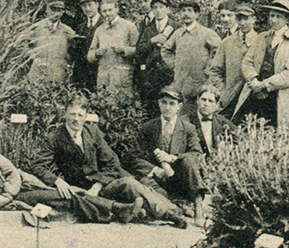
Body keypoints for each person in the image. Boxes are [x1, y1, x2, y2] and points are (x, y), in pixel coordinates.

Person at [26, 96, 187, 229]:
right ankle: (168, 213)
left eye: (80, 115)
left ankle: (170, 212)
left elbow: (112, 162)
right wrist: (57, 180)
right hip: (81, 190)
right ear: (65, 114)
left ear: (86, 116)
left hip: (101, 185)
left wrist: (98, 185)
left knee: (129, 183)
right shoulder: (55, 137)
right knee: (132, 186)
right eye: (72, 114)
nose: (76, 119)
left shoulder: (93, 132)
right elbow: (37, 166)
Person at [0, 117, 143, 224]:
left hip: (20, 187)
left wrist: (8, 191)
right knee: (64, 197)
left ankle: (117, 210)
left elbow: (11, 171)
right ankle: (115, 210)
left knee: (68, 192)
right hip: (7, 201)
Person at [128, 87, 208, 225]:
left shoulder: (188, 128)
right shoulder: (148, 128)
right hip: (158, 179)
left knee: (189, 160)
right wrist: (155, 170)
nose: (167, 107)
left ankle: (197, 204)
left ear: (179, 106)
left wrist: (172, 158)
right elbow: (134, 157)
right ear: (159, 103)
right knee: (147, 187)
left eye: (172, 104)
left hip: (179, 177)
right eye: (164, 103)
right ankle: (177, 207)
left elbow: (197, 154)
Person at [239, 0, 289, 131]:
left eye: (278, 17)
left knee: (278, 136)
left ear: (287, 19)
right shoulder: (262, 37)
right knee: (250, 131)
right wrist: (253, 80)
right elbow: (247, 61)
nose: (274, 20)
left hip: (280, 99)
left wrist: (263, 85)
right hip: (255, 94)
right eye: (272, 15)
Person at [161, 0, 221, 117]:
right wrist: (175, 65)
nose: (186, 14)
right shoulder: (178, 33)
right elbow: (165, 50)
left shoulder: (206, 33)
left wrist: (208, 69)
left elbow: (218, 52)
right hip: (180, 84)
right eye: (183, 11)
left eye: (189, 11)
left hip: (199, 84)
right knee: (180, 118)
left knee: (198, 116)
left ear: (197, 14)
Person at [207, 4, 258, 115]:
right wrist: (223, 92)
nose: (242, 23)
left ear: (254, 19)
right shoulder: (227, 42)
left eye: (246, 18)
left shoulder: (261, 41)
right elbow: (215, 71)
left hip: (254, 98)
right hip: (230, 99)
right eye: (239, 19)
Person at [87, 0, 139, 93]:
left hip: (122, 77)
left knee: (123, 105)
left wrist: (124, 50)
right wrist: (96, 53)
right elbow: (90, 55)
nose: (108, 14)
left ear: (117, 9)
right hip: (103, 78)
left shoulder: (129, 26)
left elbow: (138, 51)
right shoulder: (99, 30)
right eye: (104, 11)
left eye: (110, 10)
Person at [135, 0, 176, 110]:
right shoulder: (148, 28)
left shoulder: (176, 27)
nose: (158, 11)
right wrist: (152, 40)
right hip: (151, 76)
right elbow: (139, 51)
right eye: (155, 8)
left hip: (169, 75)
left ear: (168, 9)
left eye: (161, 7)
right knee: (150, 108)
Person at [27, 0, 75, 86]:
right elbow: (25, 46)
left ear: (63, 12)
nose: (56, 13)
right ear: (46, 10)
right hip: (38, 73)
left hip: (59, 73)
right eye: (53, 9)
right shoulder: (36, 28)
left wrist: (66, 62)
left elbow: (74, 50)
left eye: (60, 10)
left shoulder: (68, 31)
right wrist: (34, 58)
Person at [190, 85, 237, 154]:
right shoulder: (185, 121)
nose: (206, 104)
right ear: (198, 100)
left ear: (217, 105)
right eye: (203, 99)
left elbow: (240, 137)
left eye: (210, 101)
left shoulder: (222, 121)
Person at [71, 0, 102, 90]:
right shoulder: (81, 27)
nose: (87, 9)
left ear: (97, 4)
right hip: (83, 73)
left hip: (99, 71)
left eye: (90, 5)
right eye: (84, 6)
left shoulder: (105, 24)